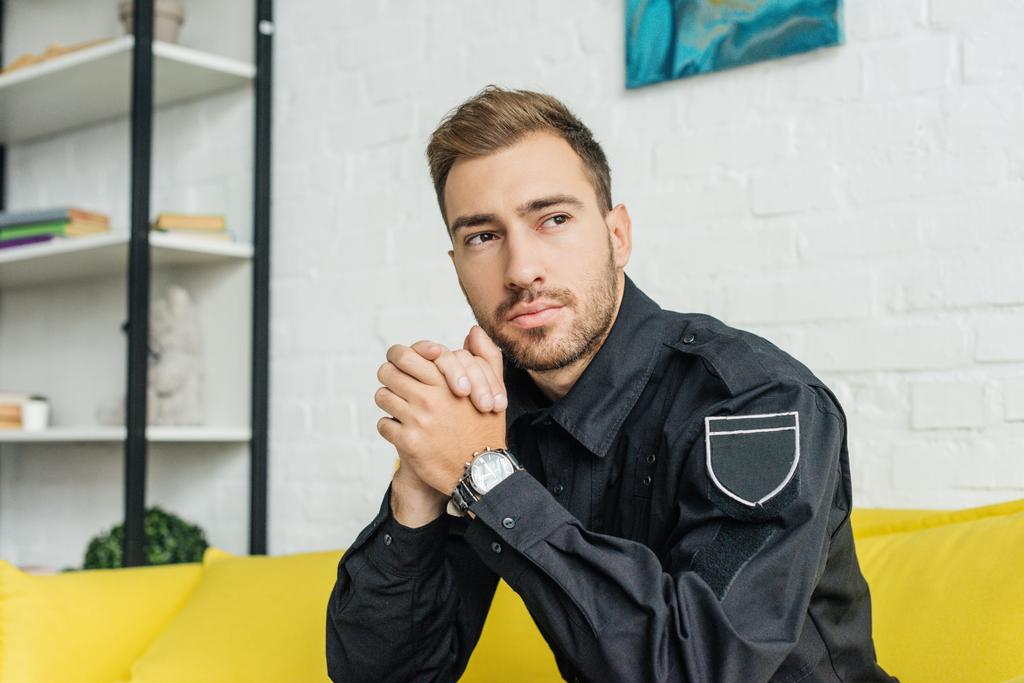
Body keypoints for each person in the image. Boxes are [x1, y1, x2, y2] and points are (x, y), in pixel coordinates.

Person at [325, 85, 898, 683]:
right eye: (483, 237)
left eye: (553, 219)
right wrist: (419, 486)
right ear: (457, 265)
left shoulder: (754, 402)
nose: (521, 270)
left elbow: (696, 668)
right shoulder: (488, 414)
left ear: (617, 236)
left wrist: (485, 478)